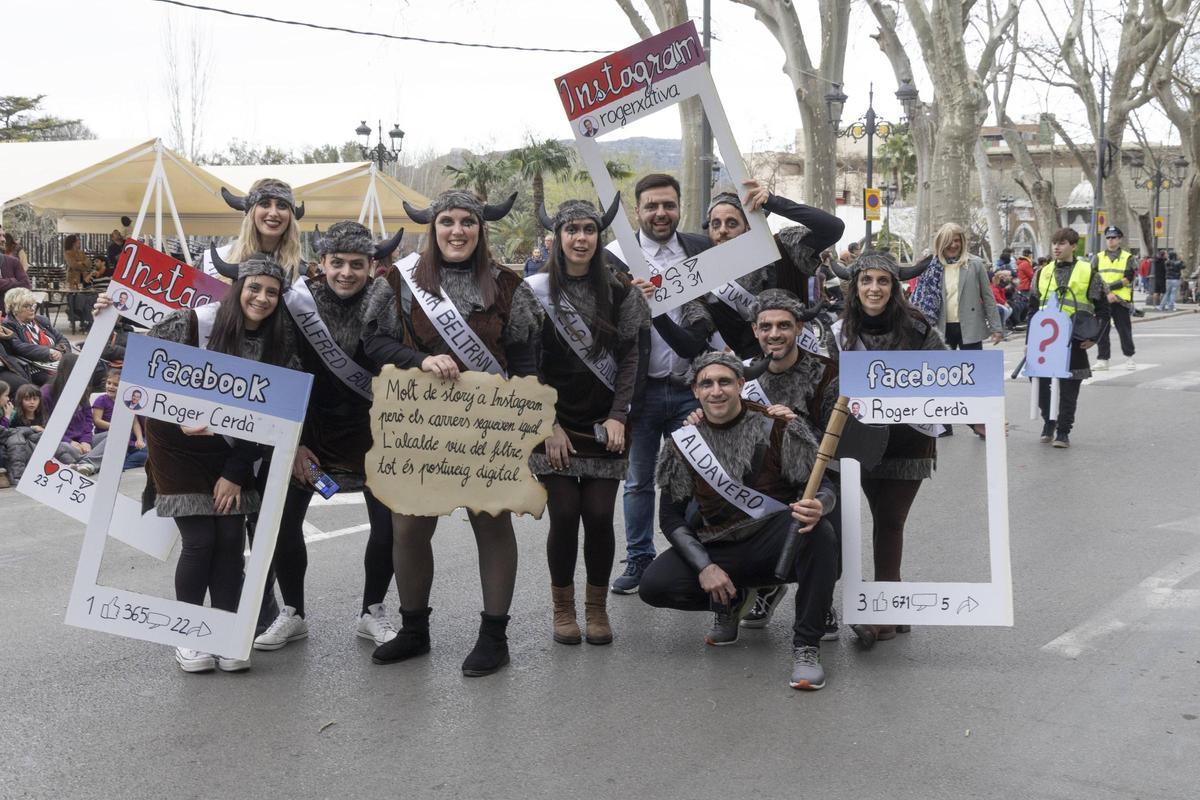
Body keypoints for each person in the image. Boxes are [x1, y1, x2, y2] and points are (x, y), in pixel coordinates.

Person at [363, 189, 540, 677]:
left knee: (491, 523)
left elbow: (524, 355)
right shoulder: (400, 281)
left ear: (481, 229)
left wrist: (527, 422)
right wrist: (419, 359)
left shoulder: (507, 285)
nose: (457, 230)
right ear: (433, 227)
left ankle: (493, 636)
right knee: (409, 525)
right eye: (447, 221)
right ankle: (414, 630)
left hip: (490, 425)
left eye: (467, 222)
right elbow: (372, 340)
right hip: (420, 423)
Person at [210, 222, 406, 651]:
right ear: (322, 263)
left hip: (377, 437)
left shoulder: (390, 301)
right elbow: (281, 364)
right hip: (309, 436)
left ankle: (372, 611)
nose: (346, 273)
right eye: (337, 263)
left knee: (388, 530)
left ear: (373, 266)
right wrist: (293, 442)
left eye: (357, 264)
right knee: (282, 526)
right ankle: (293, 613)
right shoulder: (299, 304)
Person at [131, 252, 298, 673]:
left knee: (228, 543)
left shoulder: (279, 346)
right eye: (254, 288)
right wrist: (177, 411)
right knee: (200, 540)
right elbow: (142, 368)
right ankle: (189, 635)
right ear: (236, 288)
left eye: (272, 292)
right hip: (176, 445)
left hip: (234, 449)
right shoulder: (191, 323)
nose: (261, 298)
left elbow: (275, 418)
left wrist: (236, 473)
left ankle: (223, 633)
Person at [638, 351, 839, 690]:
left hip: (772, 540)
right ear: (696, 392)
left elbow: (825, 486)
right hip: (718, 546)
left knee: (819, 533)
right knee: (654, 585)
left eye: (725, 382)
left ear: (741, 385)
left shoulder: (778, 426)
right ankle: (733, 601)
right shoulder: (683, 442)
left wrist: (820, 503)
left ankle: (806, 646)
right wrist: (704, 567)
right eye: (707, 384)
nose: (716, 391)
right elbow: (670, 517)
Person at [526, 197, 650, 646]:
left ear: (599, 237)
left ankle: (596, 610)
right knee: (563, 514)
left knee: (598, 516)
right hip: (553, 423)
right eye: (571, 229)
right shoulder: (534, 292)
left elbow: (632, 356)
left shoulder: (621, 292)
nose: (581, 238)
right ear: (556, 237)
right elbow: (528, 361)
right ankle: (563, 610)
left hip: (604, 423)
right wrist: (547, 424)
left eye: (589, 230)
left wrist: (619, 415)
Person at [602, 173, 715, 594]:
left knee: (703, 475)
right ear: (638, 210)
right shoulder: (614, 258)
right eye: (651, 206)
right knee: (638, 481)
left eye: (668, 204)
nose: (660, 213)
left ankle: (696, 554)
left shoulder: (700, 249)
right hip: (642, 390)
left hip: (694, 387)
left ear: (680, 206)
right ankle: (639, 559)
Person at [829, 250, 945, 647]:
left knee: (890, 520)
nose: (874, 288)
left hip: (909, 437)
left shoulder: (917, 327)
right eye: (866, 280)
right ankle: (891, 605)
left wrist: (982, 416)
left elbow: (949, 375)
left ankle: (884, 611)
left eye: (882, 281)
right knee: (850, 522)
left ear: (894, 287)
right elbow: (825, 382)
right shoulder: (838, 331)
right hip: (857, 439)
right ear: (854, 286)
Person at [735, 289, 842, 635]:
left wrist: (794, 427)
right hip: (763, 478)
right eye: (766, 327)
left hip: (817, 473)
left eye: (783, 326)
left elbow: (835, 437)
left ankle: (819, 600)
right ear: (755, 330)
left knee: (824, 529)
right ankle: (762, 586)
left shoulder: (827, 373)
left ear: (798, 328)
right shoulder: (743, 376)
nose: (774, 334)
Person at [701, 181, 845, 359]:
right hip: (750, 377)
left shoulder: (782, 249)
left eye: (731, 223)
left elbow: (833, 228)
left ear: (748, 227)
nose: (722, 231)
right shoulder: (705, 276)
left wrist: (774, 203)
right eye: (716, 224)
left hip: (801, 368)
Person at [1031, 228, 1110, 448]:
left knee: (1069, 387)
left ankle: (1063, 431)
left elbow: (1103, 310)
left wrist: (1095, 337)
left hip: (1074, 338)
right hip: (1045, 341)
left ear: (1074, 246)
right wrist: (1031, 338)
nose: (1057, 247)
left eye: (1062, 243)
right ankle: (1049, 421)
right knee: (1039, 383)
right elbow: (1032, 308)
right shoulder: (1042, 272)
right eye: (1054, 243)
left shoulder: (1089, 272)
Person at [910, 222, 1003, 351]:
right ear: (941, 243)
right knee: (943, 368)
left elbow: (988, 298)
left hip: (970, 326)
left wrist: (996, 328)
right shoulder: (930, 267)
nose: (953, 245)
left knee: (973, 367)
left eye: (957, 240)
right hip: (941, 327)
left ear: (962, 242)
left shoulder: (975, 264)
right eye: (948, 241)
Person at [204, 180, 306, 284]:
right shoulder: (213, 262)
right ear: (252, 213)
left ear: (290, 216)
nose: (273, 213)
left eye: (282, 206)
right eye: (265, 204)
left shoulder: (304, 275)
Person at [3, 288, 70, 385]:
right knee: (63, 381)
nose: (32, 309)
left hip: (56, 362)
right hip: (35, 368)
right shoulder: (8, 325)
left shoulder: (41, 321)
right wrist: (49, 352)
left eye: (33, 305)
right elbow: (19, 347)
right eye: (27, 306)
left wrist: (61, 350)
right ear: (14, 309)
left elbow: (62, 338)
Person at [1092, 226, 1137, 370]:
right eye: (1108, 238)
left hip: (1120, 300)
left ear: (1119, 239)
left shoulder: (1128, 257)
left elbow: (1128, 278)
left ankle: (1129, 357)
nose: (1110, 240)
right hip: (1103, 300)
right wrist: (1107, 293)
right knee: (1101, 330)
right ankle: (1103, 359)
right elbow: (1093, 277)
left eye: (1114, 238)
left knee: (1124, 329)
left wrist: (1110, 290)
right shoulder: (1097, 257)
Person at [91, 368, 147, 472]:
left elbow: (135, 423)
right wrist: (115, 426)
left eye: (116, 385)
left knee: (146, 452)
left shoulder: (127, 402)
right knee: (119, 450)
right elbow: (97, 421)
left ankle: (122, 465)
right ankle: (115, 464)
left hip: (128, 440)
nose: (111, 386)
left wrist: (139, 439)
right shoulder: (101, 400)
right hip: (107, 438)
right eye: (109, 383)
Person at [63, 234, 100, 333]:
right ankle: (74, 318)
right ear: (74, 242)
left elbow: (88, 264)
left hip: (83, 278)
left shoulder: (81, 252)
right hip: (73, 279)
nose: (79, 242)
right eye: (78, 240)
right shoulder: (68, 253)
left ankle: (82, 319)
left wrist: (81, 264)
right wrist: (81, 263)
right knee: (73, 297)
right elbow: (73, 264)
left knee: (83, 296)